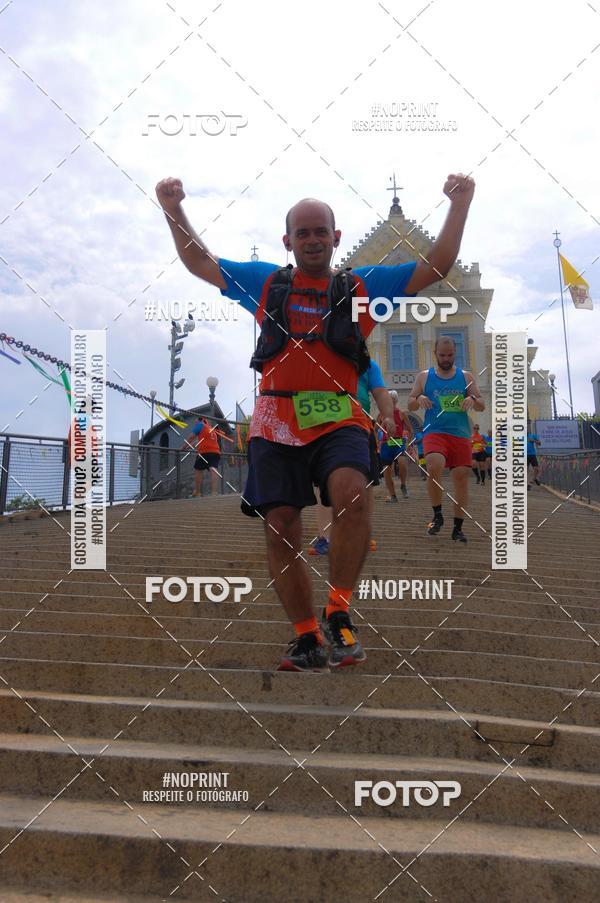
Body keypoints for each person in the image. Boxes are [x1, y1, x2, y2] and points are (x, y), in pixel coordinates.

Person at [156, 172, 475, 670]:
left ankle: (338, 611)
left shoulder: (363, 286)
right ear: (288, 241)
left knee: (352, 492)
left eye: (320, 231)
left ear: (335, 237)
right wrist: (172, 207)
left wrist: (459, 203)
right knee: (281, 524)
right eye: (302, 233)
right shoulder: (267, 282)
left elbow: (437, 264)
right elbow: (200, 261)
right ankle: (306, 635)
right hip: (275, 420)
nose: (311, 240)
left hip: (338, 415)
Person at [309, 357, 393, 555]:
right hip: (324, 424)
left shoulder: (367, 364)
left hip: (360, 426)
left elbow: (380, 391)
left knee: (366, 480)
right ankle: (325, 536)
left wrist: (388, 415)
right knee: (321, 482)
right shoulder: (317, 356)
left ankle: (361, 533)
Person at [408, 336, 485, 543]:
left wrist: (472, 399)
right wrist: (419, 398)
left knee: (461, 478)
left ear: (455, 353)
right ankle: (437, 514)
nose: (446, 359)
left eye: (450, 355)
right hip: (435, 431)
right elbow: (410, 403)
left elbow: (482, 404)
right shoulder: (424, 376)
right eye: (442, 355)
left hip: (460, 434)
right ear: (435, 354)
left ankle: (457, 528)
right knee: (434, 465)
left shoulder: (466, 377)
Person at [380, 391, 414, 500]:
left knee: (402, 462)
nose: (391, 402)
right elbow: (376, 429)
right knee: (387, 469)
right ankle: (393, 495)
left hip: (399, 442)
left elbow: (410, 429)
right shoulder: (382, 414)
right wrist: (377, 443)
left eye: (393, 400)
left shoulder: (401, 413)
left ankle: (403, 485)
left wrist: (409, 444)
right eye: (389, 400)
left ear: (396, 401)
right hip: (386, 444)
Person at [180, 416, 221, 497]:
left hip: (204, 452)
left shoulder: (200, 425)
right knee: (213, 469)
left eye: (195, 422)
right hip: (215, 451)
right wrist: (188, 447)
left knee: (198, 470)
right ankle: (214, 493)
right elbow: (198, 442)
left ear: (200, 420)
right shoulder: (210, 428)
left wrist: (183, 447)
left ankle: (197, 492)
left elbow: (191, 437)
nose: (195, 423)